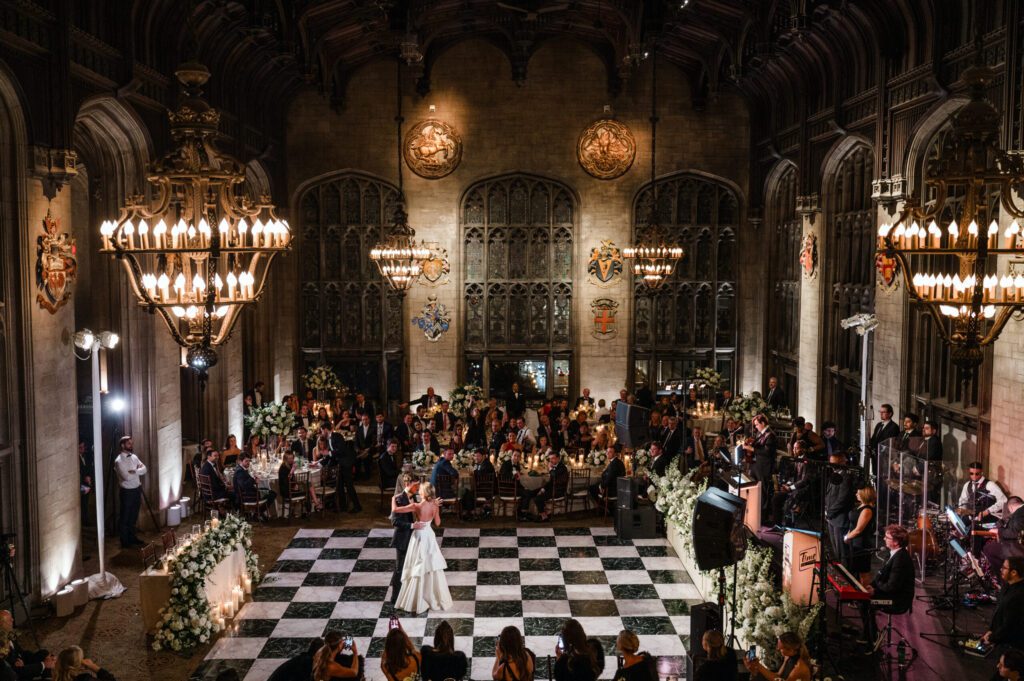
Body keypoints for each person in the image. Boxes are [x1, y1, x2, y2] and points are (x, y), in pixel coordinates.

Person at [393, 482, 452, 613]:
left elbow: (395, 510)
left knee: (417, 564)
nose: (418, 491)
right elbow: (437, 523)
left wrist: (393, 499)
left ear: (423, 493)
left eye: (420, 490)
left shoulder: (417, 506)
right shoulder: (434, 506)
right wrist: (435, 508)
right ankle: (432, 595)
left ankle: (416, 598)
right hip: (429, 535)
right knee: (430, 565)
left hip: (419, 535)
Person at [864, 525, 916, 643]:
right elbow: (880, 575)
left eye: (887, 537)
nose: (883, 539)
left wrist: (875, 591)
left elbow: (892, 587)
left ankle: (872, 638)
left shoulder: (900, 559)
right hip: (890, 593)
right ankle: (869, 635)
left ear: (896, 542)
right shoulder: (892, 553)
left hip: (896, 601)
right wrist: (871, 585)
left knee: (866, 602)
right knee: (862, 597)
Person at [981, 556, 1024, 652]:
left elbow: (1010, 626)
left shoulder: (1018, 596)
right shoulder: (1007, 585)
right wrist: (991, 630)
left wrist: (992, 638)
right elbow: (999, 612)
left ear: (1014, 573)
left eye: (1004, 568)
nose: (1001, 569)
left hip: (1011, 645)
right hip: (1000, 637)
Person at [390, 476, 420, 605]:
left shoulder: (414, 497)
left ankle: (406, 595)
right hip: (402, 538)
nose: (418, 488)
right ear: (408, 484)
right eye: (416, 485)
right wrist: (411, 526)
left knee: (409, 567)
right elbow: (395, 521)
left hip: (412, 538)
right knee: (399, 568)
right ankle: (395, 597)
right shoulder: (398, 499)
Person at [114, 435, 147, 549]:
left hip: (137, 489)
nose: (131, 445)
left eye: (131, 443)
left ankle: (132, 538)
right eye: (129, 444)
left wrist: (135, 471)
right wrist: (138, 471)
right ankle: (125, 541)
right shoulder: (119, 461)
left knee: (133, 516)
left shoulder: (134, 457)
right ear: (122, 445)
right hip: (127, 492)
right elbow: (126, 477)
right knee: (125, 517)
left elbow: (145, 469)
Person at [321, 421, 361, 513]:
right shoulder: (330, 438)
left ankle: (357, 506)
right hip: (340, 465)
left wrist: (329, 453)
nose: (322, 433)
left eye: (322, 431)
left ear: (326, 430)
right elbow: (332, 455)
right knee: (339, 486)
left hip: (346, 464)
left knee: (349, 486)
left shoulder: (337, 436)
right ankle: (342, 507)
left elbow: (342, 450)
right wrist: (320, 463)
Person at [0, 610, 53, 679]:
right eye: (10, 620)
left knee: (44, 653)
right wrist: (43, 665)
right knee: (45, 665)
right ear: (1, 624)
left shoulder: (10, 634)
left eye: (12, 618)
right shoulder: (2, 644)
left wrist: (19, 659)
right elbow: (11, 670)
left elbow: (21, 651)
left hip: (20, 662)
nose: (13, 620)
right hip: (16, 672)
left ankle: (50, 674)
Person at [824, 450, 857, 559]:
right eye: (830, 462)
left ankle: (844, 572)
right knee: (835, 550)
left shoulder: (846, 477)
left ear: (842, 462)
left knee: (842, 552)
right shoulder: (834, 474)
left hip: (839, 519)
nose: (831, 464)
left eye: (834, 462)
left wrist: (830, 512)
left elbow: (842, 499)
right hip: (831, 517)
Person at [743, 415, 777, 521]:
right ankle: (755, 513)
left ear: (763, 423)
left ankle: (762, 517)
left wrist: (751, 448)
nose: (756, 427)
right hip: (756, 466)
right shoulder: (760, 433)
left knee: (763, 492)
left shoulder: (770, 435)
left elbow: (767, 452)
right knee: (754, 490)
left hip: (764, 468)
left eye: (757, 424)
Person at [843, 485, 876, 587]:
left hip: (862, 544)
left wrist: (847, 537)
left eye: (858, 493)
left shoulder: (867, 510)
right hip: (854, 542)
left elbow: (858, 530)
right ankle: (857, 595)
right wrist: (848, 534)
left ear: (864, 494)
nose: (856, 494)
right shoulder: (861, 505)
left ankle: (865, 596)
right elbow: (853, 524)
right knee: (855, 570)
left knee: (863, 573)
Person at [743, 632, 811, 681]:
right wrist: (756, 668)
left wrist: (759, 666)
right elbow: (778, 676)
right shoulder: (788, 657)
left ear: (790, 648)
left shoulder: (799, 667)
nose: (777, 649)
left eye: (781, 648)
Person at [984, 496, 1024, 569]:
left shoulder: (1019, 513)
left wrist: (998, 531)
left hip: (1020, 549)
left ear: (1011, 507)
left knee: (989, 549)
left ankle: (1005, 577)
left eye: (1010, 511)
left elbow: (1015, 533)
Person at [528, 450, 568, 522]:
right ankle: (533, 513)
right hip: (552, 488)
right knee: (532, 493)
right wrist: (543, 489)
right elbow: (551, 481)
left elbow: (554, 475)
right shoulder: (555, 467)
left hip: (558, 491)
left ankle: (544, 516)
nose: (551, 461)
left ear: (558, 458)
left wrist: (550, 469)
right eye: (550, 459)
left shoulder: (562, 467)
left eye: (553, 458)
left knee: (538, 498)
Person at [233, 453, 277, 518]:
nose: (248, 463)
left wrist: (254, 480)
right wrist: (253, 478)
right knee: (272, 494)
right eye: (246, 461)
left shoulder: (241, 469)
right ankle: (258, 512)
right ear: (240, 461)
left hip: (249, 493)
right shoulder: (240, 471)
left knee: (269, 491)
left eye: (249, 461)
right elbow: (244, 486)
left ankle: (257, 513)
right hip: (247, 496)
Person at [278, 450, 321, 515]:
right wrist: (292, 471)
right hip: (287, 492)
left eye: (292, 458)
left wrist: (295, 484)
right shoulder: (283, 468)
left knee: (308, 484)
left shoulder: (289, 465)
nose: (291, 460)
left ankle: (306, 509)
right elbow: (286, 481)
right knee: (308, 487)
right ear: (285, 459)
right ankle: (313, 506)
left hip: (290, 488)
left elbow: (291, 479)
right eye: (289, 458)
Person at [868, 404, 899, 474]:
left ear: (890, 414)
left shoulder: (894, 427)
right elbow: (874, 439)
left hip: (885, 458)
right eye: (880, 412)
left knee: (883, 478)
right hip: (875, 457)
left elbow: (891, 444)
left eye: (883, 412)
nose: (881, 414)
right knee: (875, 475)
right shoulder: (878, 425)